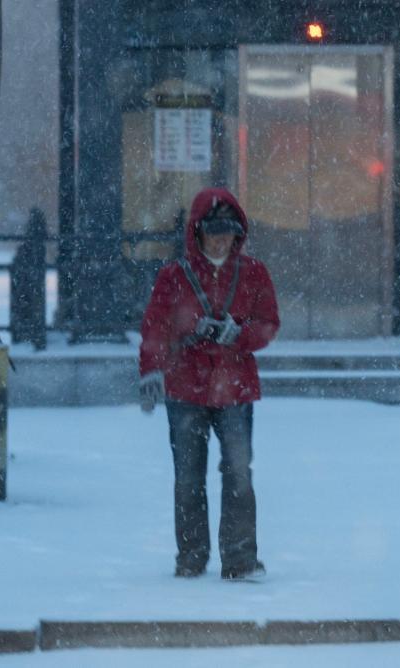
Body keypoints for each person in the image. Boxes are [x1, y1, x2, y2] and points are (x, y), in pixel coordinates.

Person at [138, 187, 279, 581]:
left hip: (234, 388)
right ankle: (191, 557)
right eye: (213, 231)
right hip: (185, 388)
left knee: (238, 472)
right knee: (188, 477)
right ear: (196, 232)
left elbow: (268, 324)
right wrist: (151, 369)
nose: (220, 239)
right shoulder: (173, 276)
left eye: (228, 231)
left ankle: (239, 559)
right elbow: (155, 327)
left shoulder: (254, 273)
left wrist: (240, 335)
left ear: (239, 233)